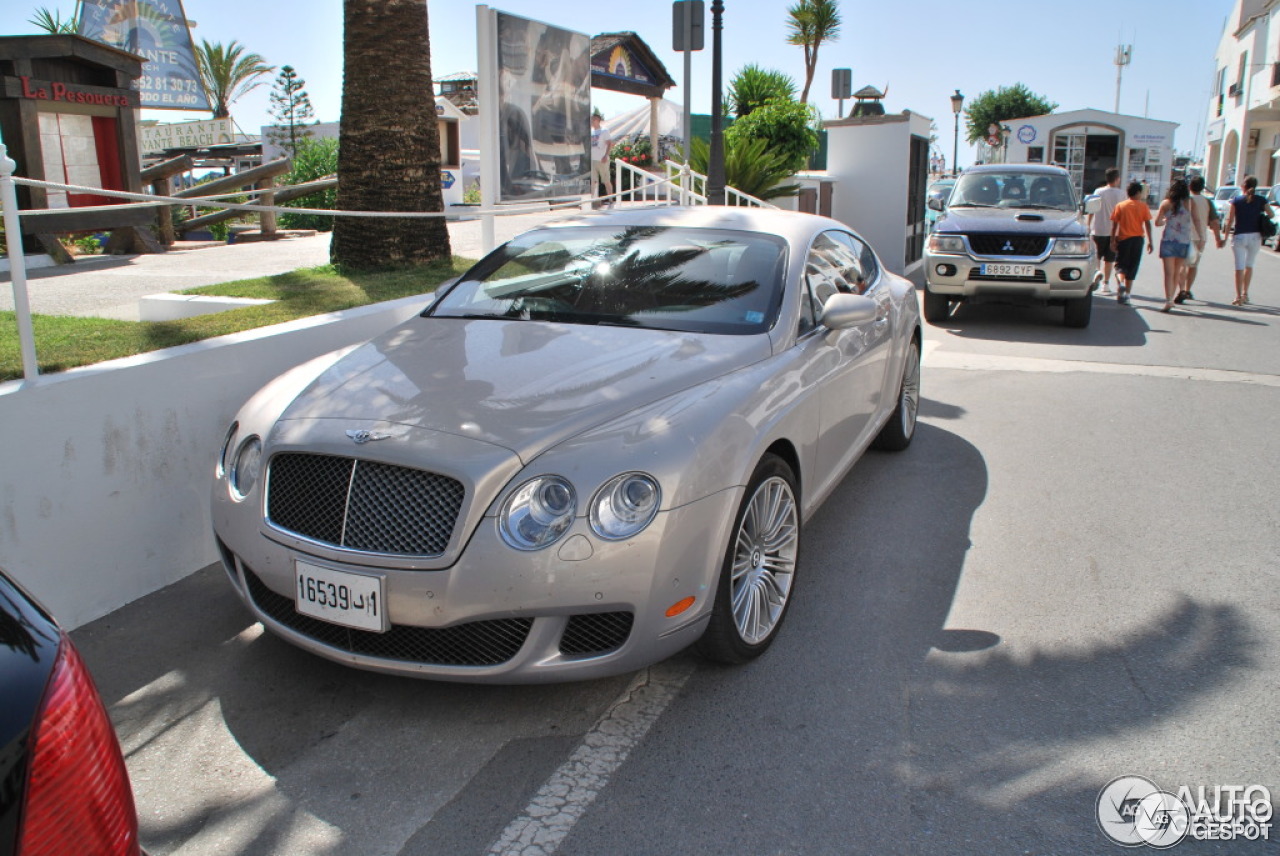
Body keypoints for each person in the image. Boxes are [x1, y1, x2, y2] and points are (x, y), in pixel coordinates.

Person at [1223, 175, 1275, 305]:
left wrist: (1225, 237)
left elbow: (1230, 220)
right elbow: (1272, 214)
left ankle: (1238, 295)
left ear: (1243, 187)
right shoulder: (1261, 200)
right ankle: (1246, 293)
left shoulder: (1236, 200)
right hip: (1255, 236)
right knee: (1249, 265)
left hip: (1240, 235)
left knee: (1239, 267)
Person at [1179, 175, 1224, 302]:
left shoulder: (1184, 200)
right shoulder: (1207, 202)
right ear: (1203, 188)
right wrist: (1218, 239)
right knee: (1193, 265)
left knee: (1182, 265)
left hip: (1183, 236)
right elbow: (1215, 222)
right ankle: (1187, 290)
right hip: (1200, 237)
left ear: (1189, 187)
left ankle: (1181, 289)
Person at [1110, 180, 1154, 305]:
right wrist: (1151, 241)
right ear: (1138, 192)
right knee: (1133, 266)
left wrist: (1112, 240)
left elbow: (1114, 225)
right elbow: (1148, 224)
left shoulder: (1120, 206)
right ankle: (1127, 295)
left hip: (1123, 239)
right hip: (1138, 240)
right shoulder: (1143, 206)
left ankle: (1121, 284)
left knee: (1120, 266)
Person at [1154, 180, 1193, 313]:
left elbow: (1157, 222)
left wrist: (1166, 220)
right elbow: (1197, 219)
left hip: (1169, 240)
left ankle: (1169, 299)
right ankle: (1171, 297)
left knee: (1168, 273)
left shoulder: (1166, 203)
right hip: (1183, 240)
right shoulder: (1189, 204)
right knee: (1177, 271)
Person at [1087, 167, 1128, 295]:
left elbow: (1091, 209)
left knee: (1097, 256)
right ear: (1117, 179)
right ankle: (1106, 283)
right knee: (1110, 259)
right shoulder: (1121, 194)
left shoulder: (1098, 191)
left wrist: (1088, 225)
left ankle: (1097, 273)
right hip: (1113, 232)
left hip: (1097, 228)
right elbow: (1123, 212)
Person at [590, 113, 613, 208]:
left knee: (606, 180)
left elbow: (609, 143)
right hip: (593, 160)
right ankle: (590, 200)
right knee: (593, 181)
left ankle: (611, 199)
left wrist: (605, 155)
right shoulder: (591, 132)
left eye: (593, 119)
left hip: (602, 159)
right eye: (591, 120)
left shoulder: (604, 131)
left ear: (598, 120)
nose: (591, 121)